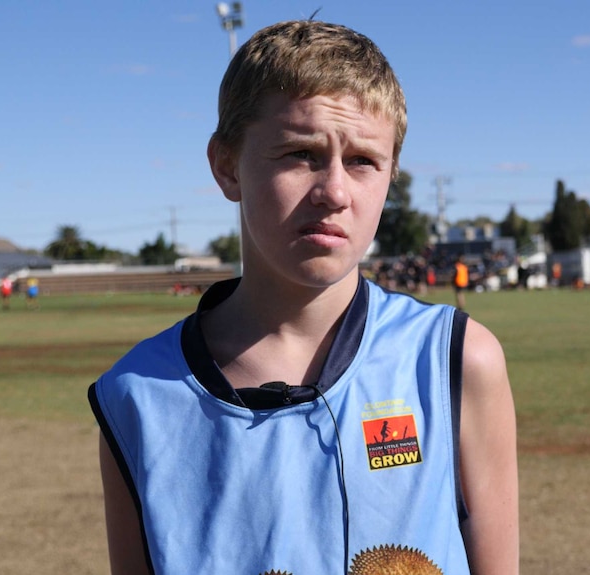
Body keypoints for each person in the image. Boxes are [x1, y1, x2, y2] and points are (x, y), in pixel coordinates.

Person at [89, 20, 518, 575]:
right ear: (226, 166)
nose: (335, 192)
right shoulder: (135, 396)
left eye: (363, 161)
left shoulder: (454, 361)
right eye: (299, 154)